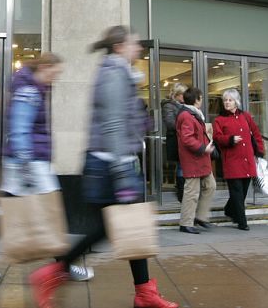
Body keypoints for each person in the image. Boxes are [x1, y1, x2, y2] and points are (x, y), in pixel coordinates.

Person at [28, 26, 178, 308]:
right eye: (134, 44)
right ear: (120, 46)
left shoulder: (120, 73)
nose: (139, 48)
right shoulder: (112, 74)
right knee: (113, 228)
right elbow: (110, 125)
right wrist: (122, 172)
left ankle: (143, 292)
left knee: (125, 226)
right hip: (110, 164)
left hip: (113, 161)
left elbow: (122, 117)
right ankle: (53, 273)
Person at [0, 53, 93, 282]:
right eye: (55, 73)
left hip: (27, 161)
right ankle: (63, 266)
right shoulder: (29, 91)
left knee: (17, 214)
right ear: (45, 67)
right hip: (29, 162)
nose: (55, 78)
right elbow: (20, 129)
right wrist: (26, 170)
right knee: (50, 212)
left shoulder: (32, 88)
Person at [213, 88, 264, 231]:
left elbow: (256, 133)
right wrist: (230, 139)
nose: (227, 103)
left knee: (243, 191)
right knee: (236, 192)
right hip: (232, 160)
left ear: (236, 102)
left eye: (230, 100)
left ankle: (230, 210)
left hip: (247, 159)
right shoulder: (219, 119)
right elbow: (217, 137)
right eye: (225, 100)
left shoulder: (246, 116)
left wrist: (259, 151)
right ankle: (242, 222)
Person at [176, 86, 216, 234]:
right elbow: (187, 138)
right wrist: (202, 148)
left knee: (210, 186)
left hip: (201, 158)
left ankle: (201, 217)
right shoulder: (187, 115)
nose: (202, 100)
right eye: (201, 97)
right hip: (193, 158)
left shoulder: (194, 114)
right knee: (192, 192)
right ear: (196, 99)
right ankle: (186, 223)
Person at [162, 84, 187, 202]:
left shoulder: (185, 105)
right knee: (182, 166)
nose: (185, 96)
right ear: (176, 95)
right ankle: (181, 192)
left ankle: (185, 191)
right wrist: (186, 126)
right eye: (183, 94)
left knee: (184, 166)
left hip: (185, 139)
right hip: (176, 140)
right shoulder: (168, 105)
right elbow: (170, 123)